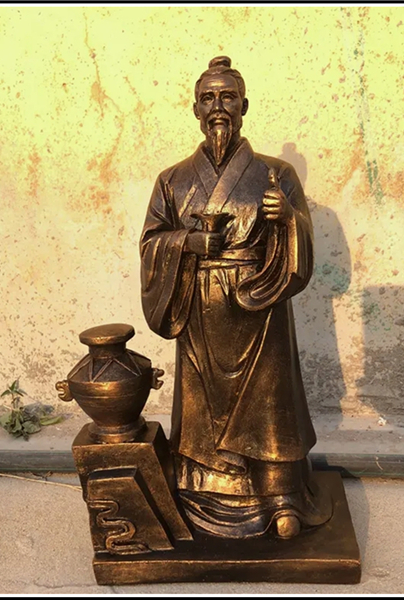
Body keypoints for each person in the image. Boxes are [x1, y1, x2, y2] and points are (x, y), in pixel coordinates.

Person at [140, 57, 331, 539]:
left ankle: (280, 494)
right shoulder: (172, 180)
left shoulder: (276, 173)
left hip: (259, 304)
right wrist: (187, 242)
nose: (218, 107)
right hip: (200, 308)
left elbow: (304, 239)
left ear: (244, 106)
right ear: (195, 109)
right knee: (202, 407)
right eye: (208, 98)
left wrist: (288, 219)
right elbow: (151, 242)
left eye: (228, 97)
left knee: (270, 402)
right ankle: (202, 494)